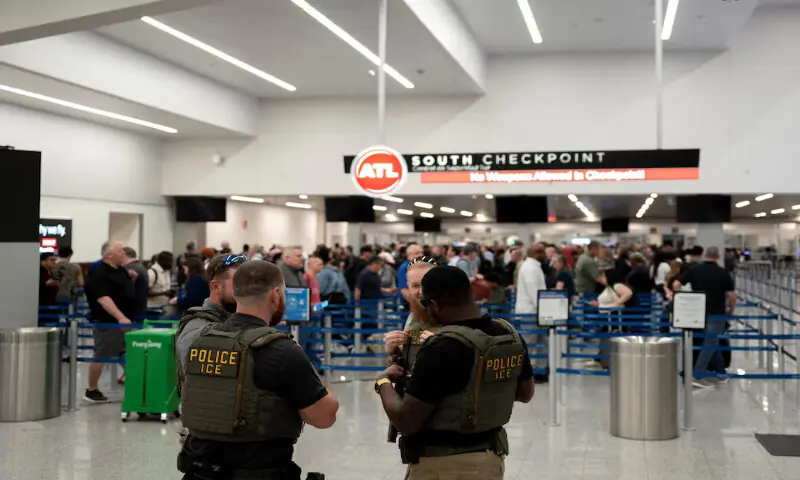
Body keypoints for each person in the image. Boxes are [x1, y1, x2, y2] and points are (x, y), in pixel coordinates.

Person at [178, 260, 339, 480]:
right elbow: (324, 417)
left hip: (199, 471)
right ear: (275, 295)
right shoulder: (282, 350)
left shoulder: (201, 339)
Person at [375, 266, 534, 480]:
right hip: (491, 460)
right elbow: (525, 393)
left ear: (434, 304)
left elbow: (406, 421)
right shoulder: (507, 333)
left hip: (442, 465)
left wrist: (383, 382)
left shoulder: (443, 347)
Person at [673, 246, 735, 388]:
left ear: (705, 255)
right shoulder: (723, 273)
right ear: (718, 256)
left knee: (710, 342)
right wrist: (731, 311)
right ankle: (697, 374)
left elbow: (676, 284)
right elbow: (731, 295)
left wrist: (685, 300)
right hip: (717, 312)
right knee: (711, 342)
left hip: (698, 312)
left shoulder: (695, 270)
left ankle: (721, 374)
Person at [84, 241, 136, 403]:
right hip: (108, 322)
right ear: (109, 255)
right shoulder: (99, 272)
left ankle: (137, 383)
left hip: (125, 322)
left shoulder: (120, 270)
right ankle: (91, 390)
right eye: (120, 251)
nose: (123, 253)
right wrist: (120, 317)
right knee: (102, 354)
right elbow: (103, 298)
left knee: (126, 352)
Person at [384, 257, 438, 357]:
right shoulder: (413, 317)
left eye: (427, 284)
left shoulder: (457, 317)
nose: (421, 292)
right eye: (416, 286)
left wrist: (444, 347)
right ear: (409, 287)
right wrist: (394, 351)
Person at [515, 244, 548, 383]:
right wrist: (544, 310)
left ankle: (540, 370)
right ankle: (525, 374)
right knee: (529, 342)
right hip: (531, 311)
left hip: (535, 310)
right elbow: (534, 291)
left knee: (541, 341)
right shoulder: (530, 268)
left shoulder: (533, 266)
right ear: (538, 254)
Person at [122, 247, 149, 320]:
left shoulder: (129, 268)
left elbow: (127, 291)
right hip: (141, 307)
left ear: (124, 255)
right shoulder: (142, 267)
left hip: (132, 310)